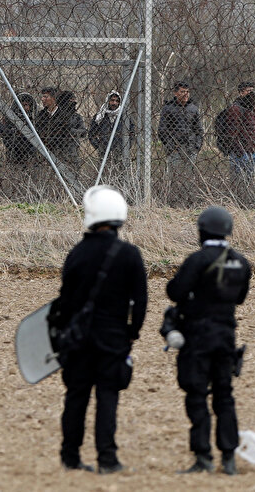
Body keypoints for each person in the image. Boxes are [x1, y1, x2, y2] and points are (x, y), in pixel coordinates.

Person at [51, 185, 148, 474]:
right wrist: (133, 332)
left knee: (76, 397)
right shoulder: (130, 254)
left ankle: (70, 457)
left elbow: (65, 300)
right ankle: (107, 459)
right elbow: (140, 301)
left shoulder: (76, 253)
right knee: (108, 397)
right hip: (113, 337)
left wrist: (63, 333)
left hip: (79, 338)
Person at [166, 206, 252, 475]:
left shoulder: (198, 260)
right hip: (226, 335)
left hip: (198, 336)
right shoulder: (241, 262)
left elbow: (176, 292)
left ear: (202, 230)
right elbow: (240, 298)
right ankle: (228, 457)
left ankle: (203, 456)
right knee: (225, 396)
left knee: (197, 395)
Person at [217, 82, 255, 180]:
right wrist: (239, 151)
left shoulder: (252, 109)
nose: (251, 94)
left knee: (249, 182)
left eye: (252, 91)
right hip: (239, 153)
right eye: (248, 91)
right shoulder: (235, 109)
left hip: (251, 151)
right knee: (237, 181)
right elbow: (231, 132)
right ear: (241, 93)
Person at [35, 87, 81, 173]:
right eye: (42, 97)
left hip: (64, 156)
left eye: (45, 97)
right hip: (45, 155)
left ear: (54, 98)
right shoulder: (40, 116)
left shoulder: (64, 115)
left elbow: (68, 133)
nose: (42, 99)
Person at [158, 81, 203, 167]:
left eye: (187, 92)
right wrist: (170, 146)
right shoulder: (168, 108)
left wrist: (197, 146)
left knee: (189, 176)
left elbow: (199, 130)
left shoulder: (193, 109)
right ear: (175, 93)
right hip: (175, 149)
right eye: (182, 92)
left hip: (191, 148)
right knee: (175, 175)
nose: (186, 94)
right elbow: (162, 130)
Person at [88, 91, 135, 170]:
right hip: (104, 152)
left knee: (120, 174)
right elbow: (91, 134)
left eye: (117, 101)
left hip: (120, 151)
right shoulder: (100, 116)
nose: (114, 103)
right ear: (108, 101)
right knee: (104, 173)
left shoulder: (124, 117)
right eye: (112, 100)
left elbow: (132, 133)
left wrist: (126, 147)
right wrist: (100, 147)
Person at [0, 92, 38, 165]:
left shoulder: (34, 119)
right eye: (22, 105)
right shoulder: (10, 119)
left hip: (30, 154)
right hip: (14, 153)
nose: (24, 108)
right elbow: (6, 137)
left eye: (26, 105)